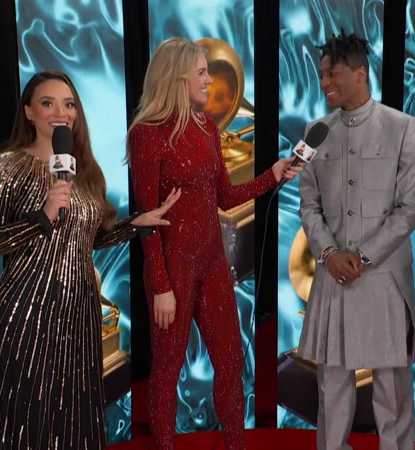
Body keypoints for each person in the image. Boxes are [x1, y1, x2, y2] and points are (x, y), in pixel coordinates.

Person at [0, 70, 179, 450]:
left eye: (68, 104)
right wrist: (41, 217)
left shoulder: (83, 172)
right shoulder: (8, 167)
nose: (60, 112)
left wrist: (137, 224)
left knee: (72, 422)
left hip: (78, 317)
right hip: (23, 318)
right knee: (24, 424)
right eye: (48, 103)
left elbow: (90, 239)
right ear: (29, 113)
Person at [126, 37, 302, 450]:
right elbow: (146, 221)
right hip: (171, 268)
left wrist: (271, 176)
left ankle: (236, 445)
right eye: (202, 72)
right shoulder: (148, 135)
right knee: (168, 367)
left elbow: (224, 196)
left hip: (212, 264)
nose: (209, 80)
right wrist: (162, 285)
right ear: (177, 76)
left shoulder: (207, 126)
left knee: (231, 361)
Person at [296, 30, 415, 450]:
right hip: (332, 277)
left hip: (384, 278)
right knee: (331, 390)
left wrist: (362, 257)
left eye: (332, 74)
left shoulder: (404, 128)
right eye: (320, 75)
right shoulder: (315, 132)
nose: (324, 83)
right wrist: (331, 254)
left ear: (360, 73)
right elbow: (308, 206)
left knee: (392, 392)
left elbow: (410, 209)